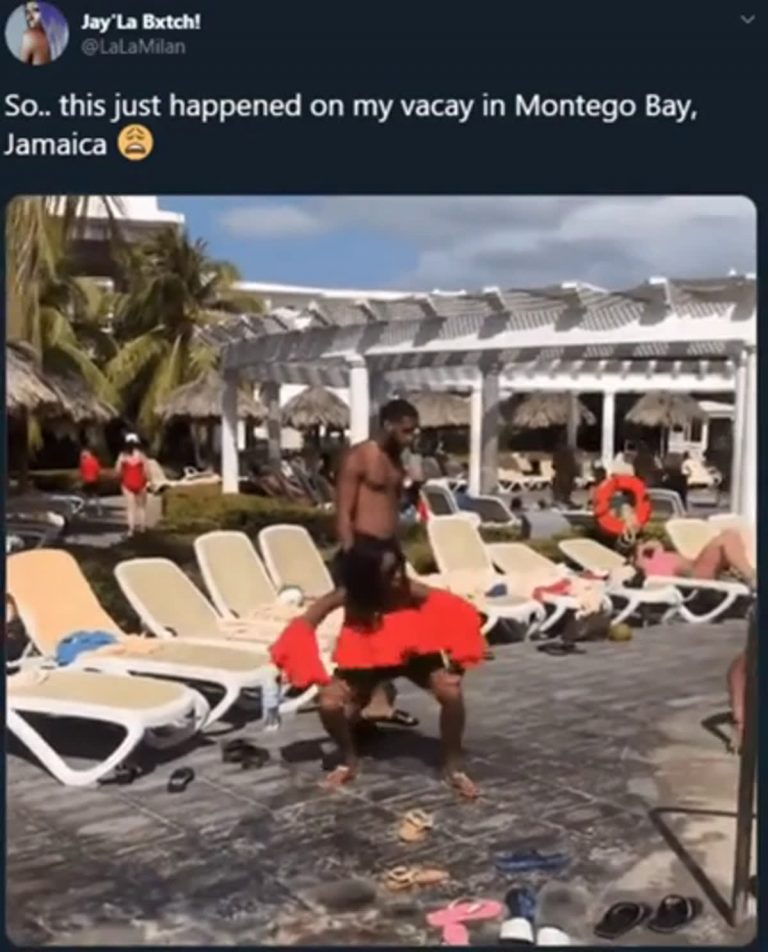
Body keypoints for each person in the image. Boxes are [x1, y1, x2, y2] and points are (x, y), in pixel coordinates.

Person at [271, 537, 485, 797]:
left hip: (412, 655)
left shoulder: (408, 589)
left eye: (399, 568)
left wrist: (457, 667)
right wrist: (318, 677)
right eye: (390, 572)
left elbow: (460, 611)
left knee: (450, 692)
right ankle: (348, 759)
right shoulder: (349, 594)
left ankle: (454, 766)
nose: (398, 576)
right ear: (367, 576)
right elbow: (303, 626)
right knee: (329, 704)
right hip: (366, 657)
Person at [331, 398, 421, 729]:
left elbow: (394, 505)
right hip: (363, 548)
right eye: (407, 430)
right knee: (361, 628)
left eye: (415, 431)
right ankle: (348, 706)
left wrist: (414, 489)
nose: (412, 437)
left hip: (388, 549)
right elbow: (343, 512)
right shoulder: (360, 456)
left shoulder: (397, 461)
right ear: (388, 425)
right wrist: (352, 555)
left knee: (390, 628)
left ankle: (380, 704)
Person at [633, 530, 755, 587]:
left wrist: (649, 546)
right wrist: (639, 550)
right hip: (695, 572)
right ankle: (751, 577)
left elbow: (657, 546)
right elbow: (643, 568)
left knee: (730, 535)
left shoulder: (657, 555)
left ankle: (749, 575)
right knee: (727, 538)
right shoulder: (647, 565)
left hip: (696, 565)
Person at [115, 434, 150, 536]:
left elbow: (117, 470)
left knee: (130, 509)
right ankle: (142, 528)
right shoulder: (141, 455)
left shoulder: (122, 456)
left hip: (127, 483)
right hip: (140, 482)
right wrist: (148, 480)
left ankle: (131, 530)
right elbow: (147, 471)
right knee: (142, 508)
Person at [552, 437, 577, 506]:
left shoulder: (559, 450)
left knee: (562, 485)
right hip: (567, 471)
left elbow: (554, 464)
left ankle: (561, 500)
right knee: (566, 486)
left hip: (563, 471)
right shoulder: (569, 450)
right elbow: (572, 462)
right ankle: (565, 500)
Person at [78, 442, 102, 516]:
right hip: (94, 480)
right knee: (95, 496)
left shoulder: (84, 461)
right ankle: (99, 510)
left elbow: (82, 471)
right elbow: (98, 470)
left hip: (87, 480)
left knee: (85, 496)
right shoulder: (95, 460)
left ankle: (83, 510)